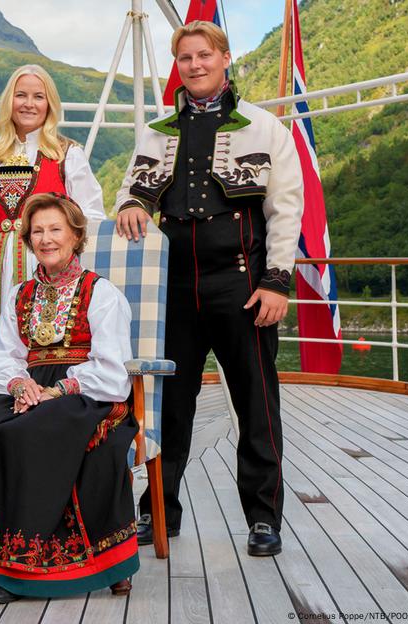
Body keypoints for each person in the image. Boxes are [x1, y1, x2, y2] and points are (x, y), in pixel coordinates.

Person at [114, 21, 303, 557]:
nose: (194, 65)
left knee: (256, 403)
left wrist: (276, 282)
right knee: (170, 405)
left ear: (224, 59)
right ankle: (159, 512)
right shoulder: (156, 131)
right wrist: (132, 204)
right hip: (173, 287)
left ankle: (264, 517)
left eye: (204, 55)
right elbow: (133, 190)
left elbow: (285, 211)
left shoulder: (265, 128)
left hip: (242, 285)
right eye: (185, 57)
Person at [0, 193, 139, 602]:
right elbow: (3, 356)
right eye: (38, 231)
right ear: (28, 239)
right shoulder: (20, 293)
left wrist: (57, 389)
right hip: (28, 388)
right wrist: (20, 386)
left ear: (76, 236)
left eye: (56, 230)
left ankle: (20, 569)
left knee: (28, 434)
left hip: (86, 393)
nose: (46, 239)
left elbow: (112, 367)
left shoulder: (102, 293)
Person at [0, 64, 105, 401]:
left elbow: (91, 218)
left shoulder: (66, 155)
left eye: (38, 96)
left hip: (48, 266)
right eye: (21, 95)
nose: (29, 103)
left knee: (43, 345)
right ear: (8, 101)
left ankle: (42, 409)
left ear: (50, 104)